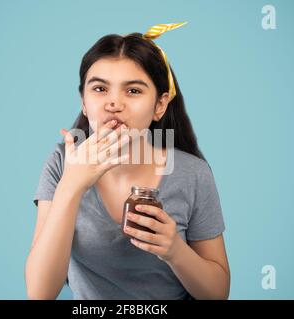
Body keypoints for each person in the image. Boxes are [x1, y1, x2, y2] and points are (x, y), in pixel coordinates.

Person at [25, 23, 230, 300]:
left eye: (133, 91)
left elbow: (217, 293)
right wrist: (71, 185)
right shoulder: (62, 163)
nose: (114, 103)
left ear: (160, 105)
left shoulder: (192, 173)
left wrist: (175, 251)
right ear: (84, 103)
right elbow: (40, 293)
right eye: (99, 89)